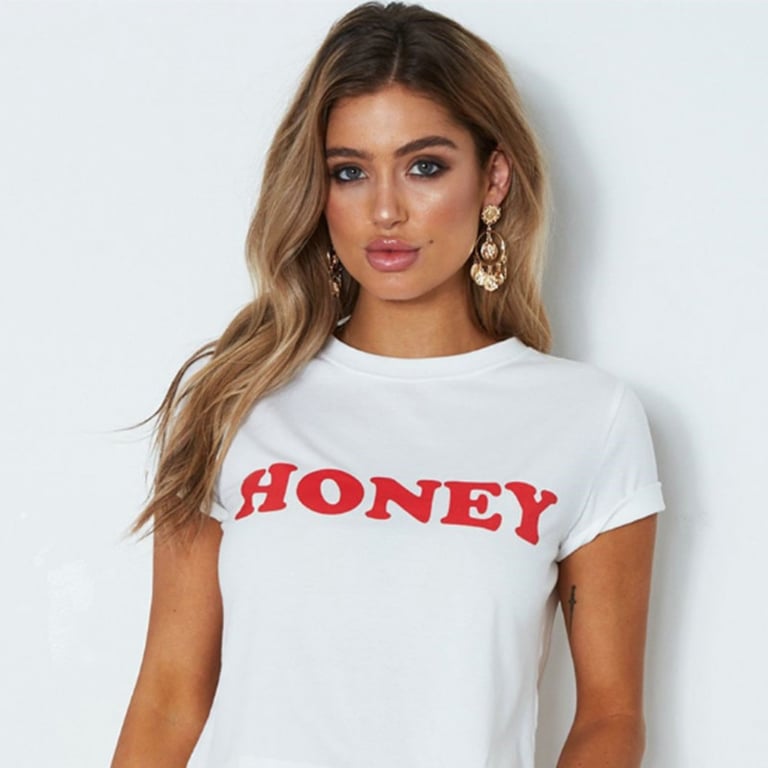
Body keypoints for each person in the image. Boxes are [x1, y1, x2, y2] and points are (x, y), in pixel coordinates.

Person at [112, 3, 664, 767]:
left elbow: (610, 717)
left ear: (494, 177)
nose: (384, 210)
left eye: (424, 166)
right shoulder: (237, 401)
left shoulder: (587, 418)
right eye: (350, 172)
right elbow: (169, 699)